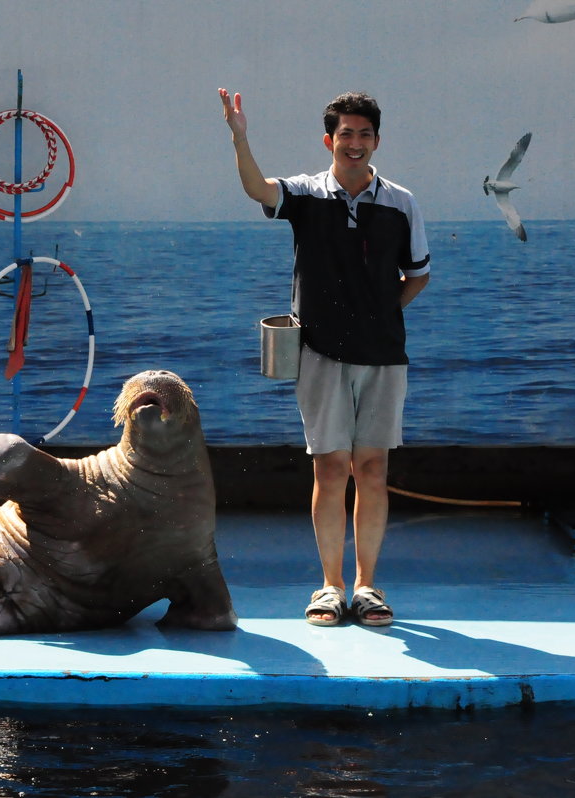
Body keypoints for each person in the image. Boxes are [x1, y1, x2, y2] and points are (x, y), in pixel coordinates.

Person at [218, 87, 431, 627]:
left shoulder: (401, 203)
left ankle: (367, 587)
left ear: (376, 140)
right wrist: (240, 138)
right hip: (320, 354)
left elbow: (419, 274)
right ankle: (331, 586)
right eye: (345, 135)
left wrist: (379, 313)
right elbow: (257, 189)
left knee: (373, 468)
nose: (354, 144)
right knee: (332, 468)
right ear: (329, 140)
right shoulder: (307, 194)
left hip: (383, 355)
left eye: (364, 135)